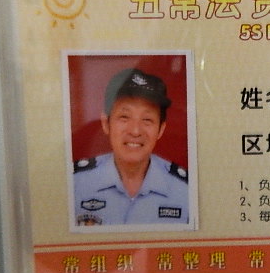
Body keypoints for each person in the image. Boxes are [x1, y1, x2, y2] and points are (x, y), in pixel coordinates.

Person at [73, 68, 189, 226]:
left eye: (147, 119)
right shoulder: (74, 184)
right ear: (106, 123)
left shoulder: (185, 190)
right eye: (124, 117)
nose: (135, 131)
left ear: (161, 129)